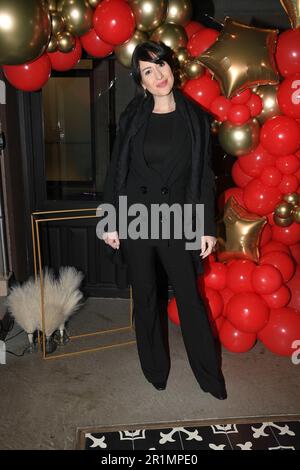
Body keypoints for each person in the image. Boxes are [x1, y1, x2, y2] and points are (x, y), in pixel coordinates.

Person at [98, 41, 227, 400]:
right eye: (147, 71)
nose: (158, 76)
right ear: (140, 81)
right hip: (138, 218)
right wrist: (111, 220)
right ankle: (155, 371)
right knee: (146, 297)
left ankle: (209, 377)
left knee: (190, 298)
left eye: (160, 65)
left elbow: (203, 177)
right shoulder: (132, 116)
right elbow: (117, 170)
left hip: (178, 219)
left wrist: (206, 228)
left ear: (172, 66)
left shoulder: (197, 118)